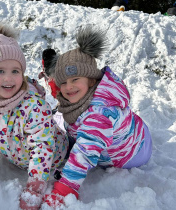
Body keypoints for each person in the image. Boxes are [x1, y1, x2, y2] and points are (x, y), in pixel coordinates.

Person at [43, 25, 153, 207]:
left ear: (92, 79)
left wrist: (65, 188)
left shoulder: (99, 114)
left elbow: (85, 152)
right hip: (133, 131)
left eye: (75, 79)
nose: (69, 87)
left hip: (132, 153)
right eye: (63, 82)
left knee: (79, 147)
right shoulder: (82, 97)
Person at [0, 22, 68, 210]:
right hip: (18, 157)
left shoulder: (33, 107)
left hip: (55, 157)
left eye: (15, 71)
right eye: (0, 71)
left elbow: (43, 146)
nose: (8, 78)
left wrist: (35, 188)